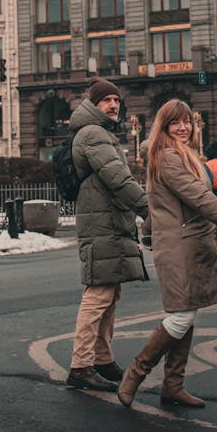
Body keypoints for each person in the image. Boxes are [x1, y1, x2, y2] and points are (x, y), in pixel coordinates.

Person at [118, 99, 217, 409]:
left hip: (188, 242)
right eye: (176, 122)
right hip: (180, 245)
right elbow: (199, 197)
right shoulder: (168, 157)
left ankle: (174, 384)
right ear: (164, 126)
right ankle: (136, 373)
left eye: (187, 121)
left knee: (188, 311)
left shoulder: (184, 154)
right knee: (181, 314)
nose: (183, 127)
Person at [66, 79, 149, 392]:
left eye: (116, 99)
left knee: (109, 293)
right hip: (100, 224)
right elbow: (118, 179)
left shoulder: (100, 132)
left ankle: (101, 359)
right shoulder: (93, 134)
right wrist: (147, 208)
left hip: (107, 220)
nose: (113, 105)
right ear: (94, 104)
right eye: (106, 100)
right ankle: (80, 365)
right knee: (98, 294)